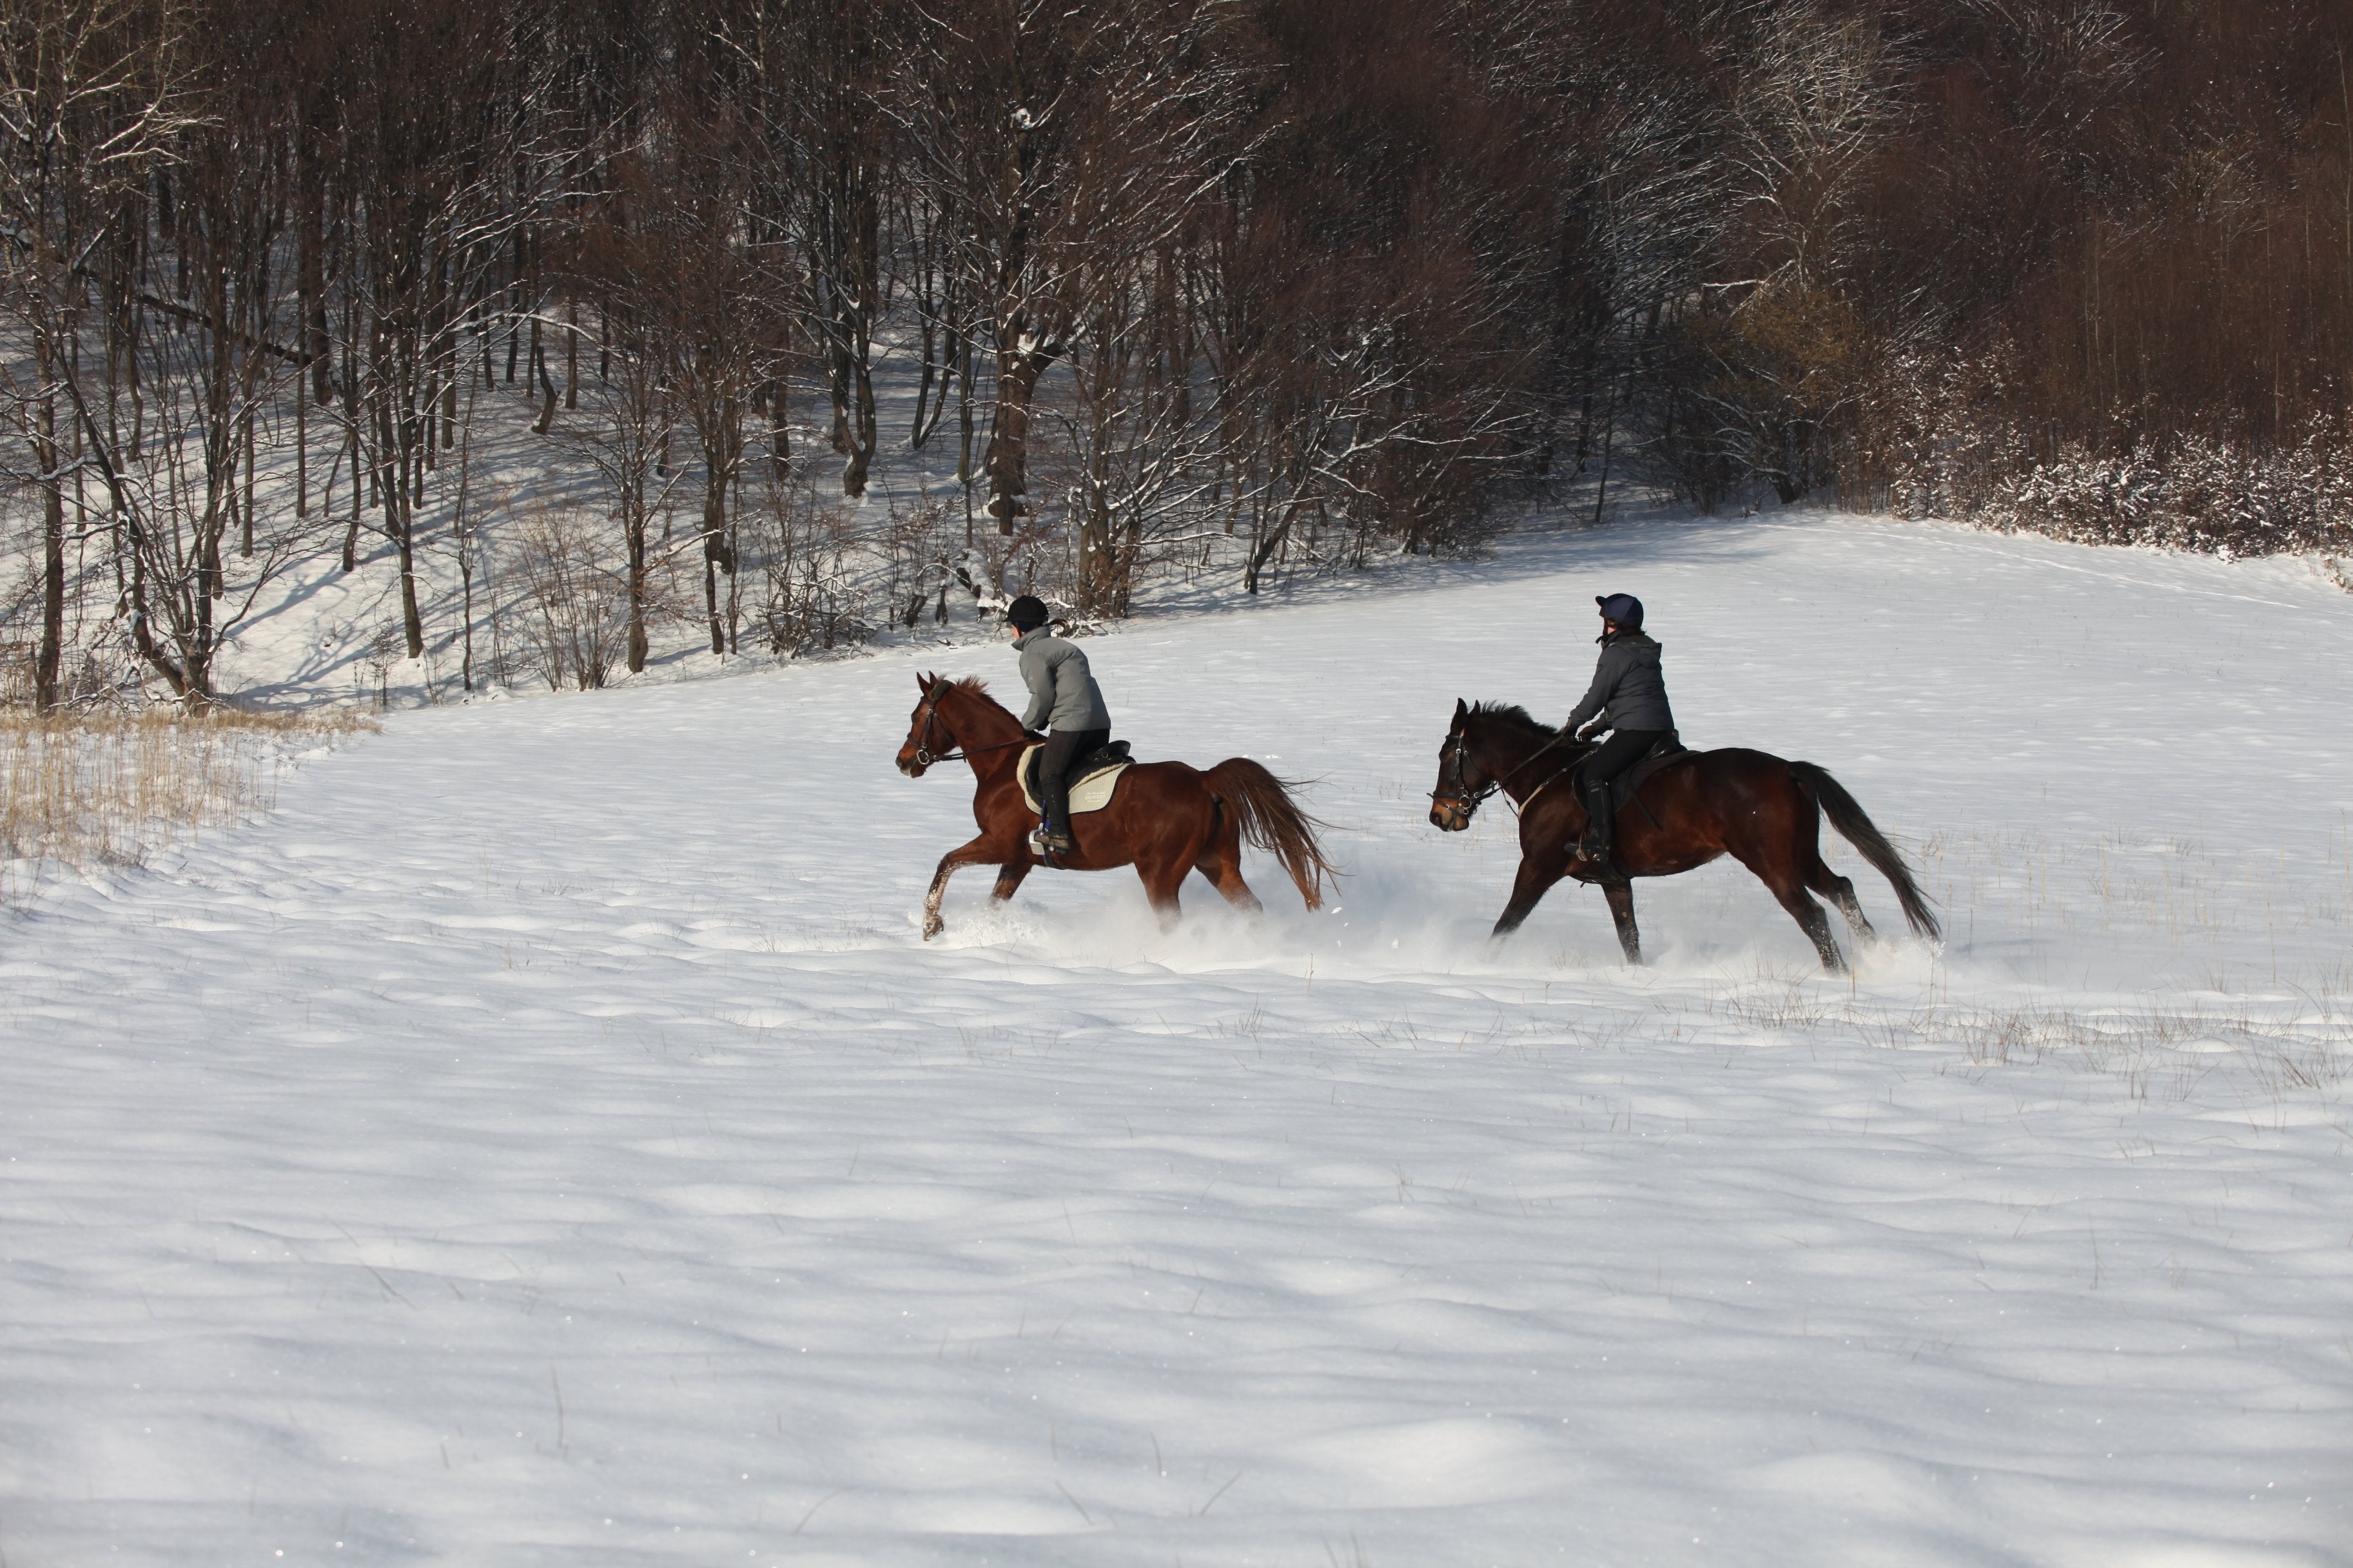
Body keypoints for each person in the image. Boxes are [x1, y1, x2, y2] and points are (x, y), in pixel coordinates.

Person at [1560, 592, 1675, 867]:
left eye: (1608, 621)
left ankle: (1599, 842)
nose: (1604, 626)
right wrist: (1598, 727)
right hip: (1662, 731)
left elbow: (1596, 697)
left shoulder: (1616, 654)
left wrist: (1572, 725)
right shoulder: (1645, 649)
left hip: (1636, 732)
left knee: (1592, 775)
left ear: (1618, 624)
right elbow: (1633, 699)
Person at [1006, 594, 1111, 860]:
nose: (1010, 631)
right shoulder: (1065, 646)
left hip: (1071, 724)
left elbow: (1042, 696)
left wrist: (1027, 725)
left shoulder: (1033, 653)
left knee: (1049, 773)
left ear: (1021, 627)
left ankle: (1060, 835)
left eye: (1011, 625)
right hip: (1099, 723)